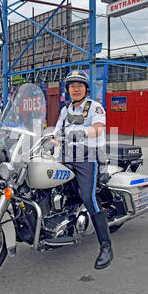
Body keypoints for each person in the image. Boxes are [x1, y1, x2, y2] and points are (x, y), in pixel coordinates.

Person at [49, 69, 113, 270]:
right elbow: (57, 131)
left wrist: (81, 133)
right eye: (72, 86)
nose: (75, 89)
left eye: (79, 85)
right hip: (66, 156)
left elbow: (98, 129)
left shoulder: (95, 107)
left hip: (87, 157)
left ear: (86, 89)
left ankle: (106, 247)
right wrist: (49, 141)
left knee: (88, 196)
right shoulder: (65, 110)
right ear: (67, 89)